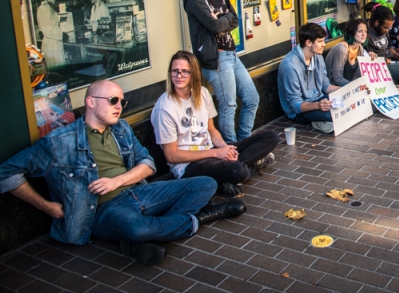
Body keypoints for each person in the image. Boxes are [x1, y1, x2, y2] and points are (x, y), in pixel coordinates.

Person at [0, 79, 246, 266]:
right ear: (91, 102)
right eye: (113, 101)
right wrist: (47, 207)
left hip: (141, 193)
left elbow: (147, 163)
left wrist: (117, 180)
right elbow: (7, 173)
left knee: (205, 184)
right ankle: (200, 218)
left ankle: (148, 238)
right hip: (104, 209)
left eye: (122, 102)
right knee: (136, 228)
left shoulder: (121, 129)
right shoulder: (58, 142)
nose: (120, 107)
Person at [151, 51, 279, 198]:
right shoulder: (165, 108)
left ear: (194, 74)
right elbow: (172, 156)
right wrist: (216, 153)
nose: (179, 76)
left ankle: (227, 174)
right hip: (189, 165)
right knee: (238, 171)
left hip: (211, 150)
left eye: (185, 72)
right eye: (175, 71)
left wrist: (225, 149)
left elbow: (211, 130)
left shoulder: (203, 93)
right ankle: (250, 166)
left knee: (271, 137)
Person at [183, 0, 259, 144]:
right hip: (216, 58)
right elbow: (215, 26)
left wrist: (222, 21)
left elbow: (235, 18)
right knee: (228, 105)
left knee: (252, 98)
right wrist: (224, 21)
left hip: (232, 54)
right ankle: (231, 148)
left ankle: (244, 142)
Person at [277, 22, 341, 134]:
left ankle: (322, 121)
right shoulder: (290, 65)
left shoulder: (317, 56)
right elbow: (295, 105)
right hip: (300, 110)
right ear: (308, 43)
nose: (324, 44)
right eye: (320, 41)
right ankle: (318, 121)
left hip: (319, 99)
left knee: (346, 105)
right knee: (335, 114)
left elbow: (325, 86)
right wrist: (318, 105)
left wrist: (348, 90)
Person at [325, 18, 377, 86]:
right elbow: (337, 79)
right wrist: (355, 87)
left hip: (348, 86)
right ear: (352, 33)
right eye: (360, 31)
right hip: (334, 88)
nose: (364, 34)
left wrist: (370, 59)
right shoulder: (342, 49)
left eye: (365, 31)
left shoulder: (360, 48)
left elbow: (357, 76)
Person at [36, 0, 66, 68]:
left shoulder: (48, 8)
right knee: (54, 68)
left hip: (55, 41)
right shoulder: (43, 9)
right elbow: (48, 30)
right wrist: (61, 33)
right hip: (51, 43)